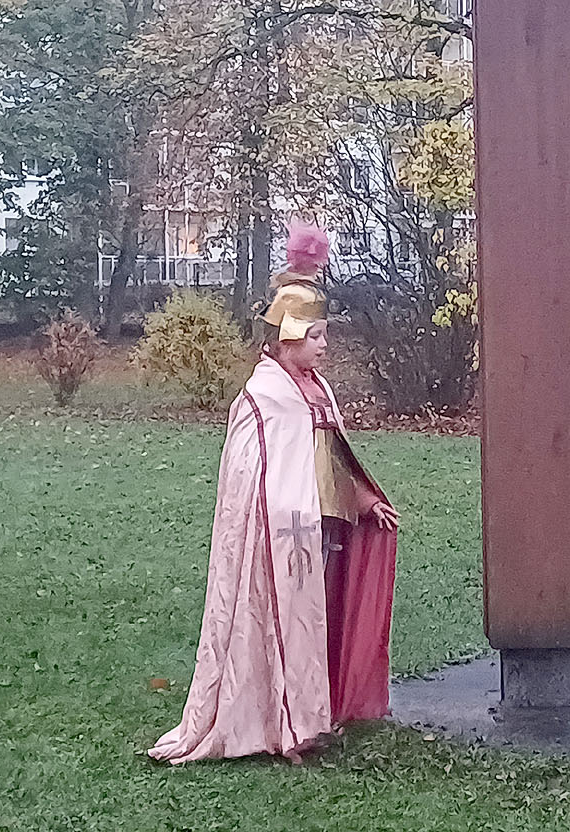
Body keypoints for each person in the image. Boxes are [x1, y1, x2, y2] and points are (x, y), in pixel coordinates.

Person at [150, 221, 400, 764]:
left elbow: (331, 455)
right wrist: (284, 514)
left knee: (314, 620)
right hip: (277, 531)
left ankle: (311, 716)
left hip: (321, 523)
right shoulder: (264, 395)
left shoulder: (316, 388)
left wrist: (364, 501)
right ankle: (281, 725)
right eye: (317, 337)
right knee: (279, 618)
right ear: (289, 338)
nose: (325, 346)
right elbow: (251, 475)